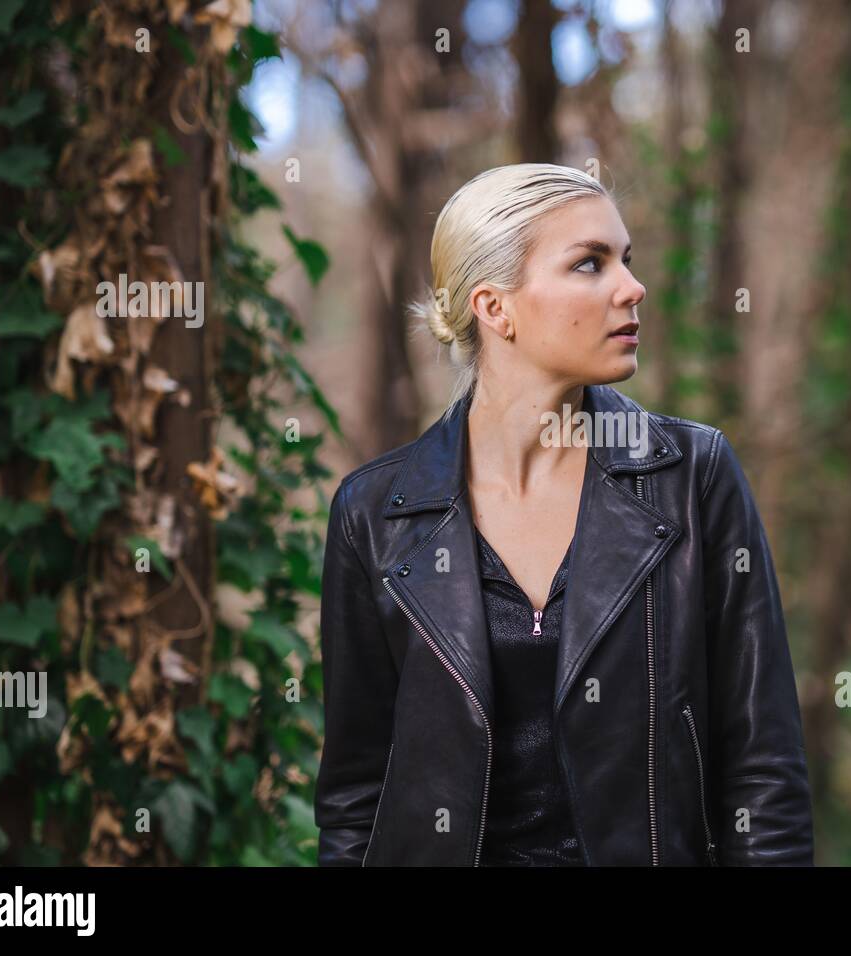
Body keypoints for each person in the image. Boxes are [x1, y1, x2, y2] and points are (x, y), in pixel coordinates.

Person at [314, 162, 814, 866]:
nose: (632, 288)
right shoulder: (375, 515)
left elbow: (763, 773)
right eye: (590, 264)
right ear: (495, 308)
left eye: (626, 260)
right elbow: (353, 800)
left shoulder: (692, 476)